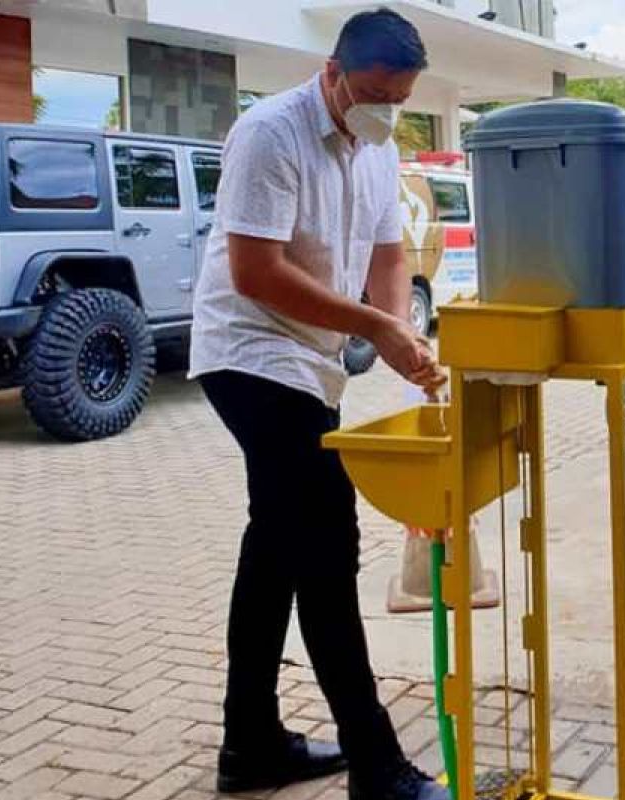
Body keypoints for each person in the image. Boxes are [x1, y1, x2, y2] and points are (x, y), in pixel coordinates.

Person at [189, 9, 448, 799]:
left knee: (276, 549)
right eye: (372, 92)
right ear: (333, 71)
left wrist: (399, 328)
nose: (385, 110)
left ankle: (251, 744)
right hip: (250, 351)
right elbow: (255, 272)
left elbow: (388, 252)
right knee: (325, 545)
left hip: (312, 363)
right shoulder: (270, 133)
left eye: (398, 99)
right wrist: (372, 324)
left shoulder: (377, 146)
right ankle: (377, 765)